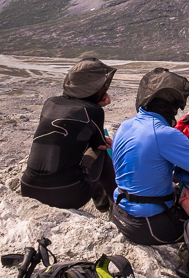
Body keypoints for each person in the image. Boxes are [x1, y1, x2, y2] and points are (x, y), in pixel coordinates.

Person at [110, 68, 189, 245]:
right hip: (150, 226)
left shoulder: (125, 126)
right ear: (172, 109)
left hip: (119, 213)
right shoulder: (165, 134)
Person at [21, 58, 117, 210]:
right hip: (67, 195)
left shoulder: (50, 103)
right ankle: (114, 204)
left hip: (28, 189)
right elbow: (99, 144)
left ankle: (108, 203)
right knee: (101, 154)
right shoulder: (93, 111)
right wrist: (97, 106)